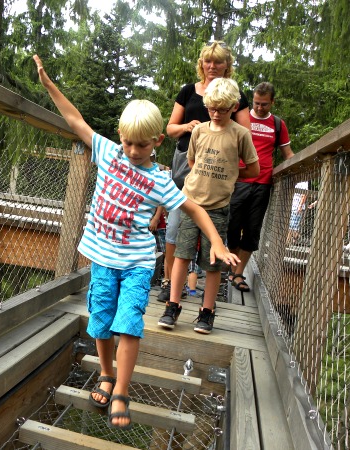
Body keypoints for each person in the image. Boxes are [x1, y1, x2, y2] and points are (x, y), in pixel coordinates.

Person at [33, 54, 239, 429]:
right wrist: (49, 86)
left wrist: (218, 244)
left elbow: (194, 209)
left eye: (141, 146)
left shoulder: (160, 180)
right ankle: (107, 375)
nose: (131, 151)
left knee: (128, 323)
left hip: (137, 261)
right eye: (127, 142)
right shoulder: (108, 152)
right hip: (102, 258)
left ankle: (122, 391)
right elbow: (75, 119)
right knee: (101, 321)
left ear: (157, 141)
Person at [158, 77, 259, 334]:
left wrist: (229, 176)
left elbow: (253, 168)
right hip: (191, 203)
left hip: (218, 206)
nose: (215, 114)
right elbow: (192, 162)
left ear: (234, 106)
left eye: (222, 110)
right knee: (182, 255)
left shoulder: (240, 134)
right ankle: (173, 305)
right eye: (211, 108)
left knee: (212, 262)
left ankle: (207, 311)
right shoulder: (200, 130)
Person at [227, 82, 294, 291]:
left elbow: (288, 154)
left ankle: (237, 274)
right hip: (238, 181)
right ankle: (232, 268)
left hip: (263, 183)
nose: (259, 108)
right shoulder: (242, 119)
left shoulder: (277, 124)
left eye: (264, 104)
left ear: (272, 102)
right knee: (231, 227)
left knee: (252, 229)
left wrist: (299, 171)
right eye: (256, 103)